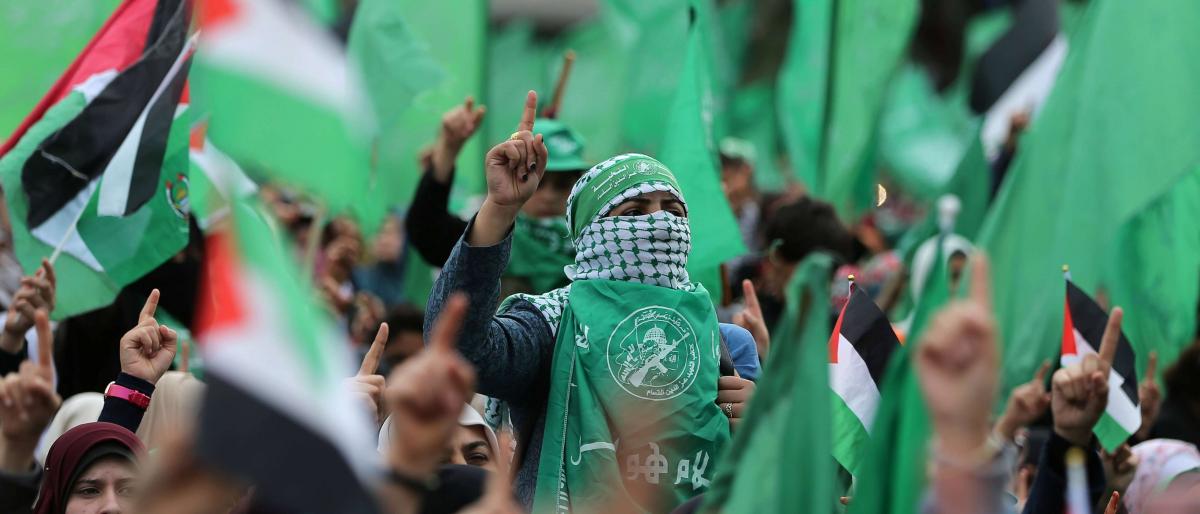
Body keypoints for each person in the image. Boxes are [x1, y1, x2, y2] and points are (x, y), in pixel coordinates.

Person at [424, 91, 758, 511]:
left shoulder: (725, 344)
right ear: (591, 232)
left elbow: (767, 478)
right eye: (634, 212)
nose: (659, 221)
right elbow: (459, 350)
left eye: (673, 210)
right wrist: (499, 209)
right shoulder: (549, 327)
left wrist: (760, 422)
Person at [405, 97, 591, 296]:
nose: (548, 196)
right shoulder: (490, 236)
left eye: (562, 185)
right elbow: (428, 233)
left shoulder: (596, 248)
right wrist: (448, 150)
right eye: (537, 181)